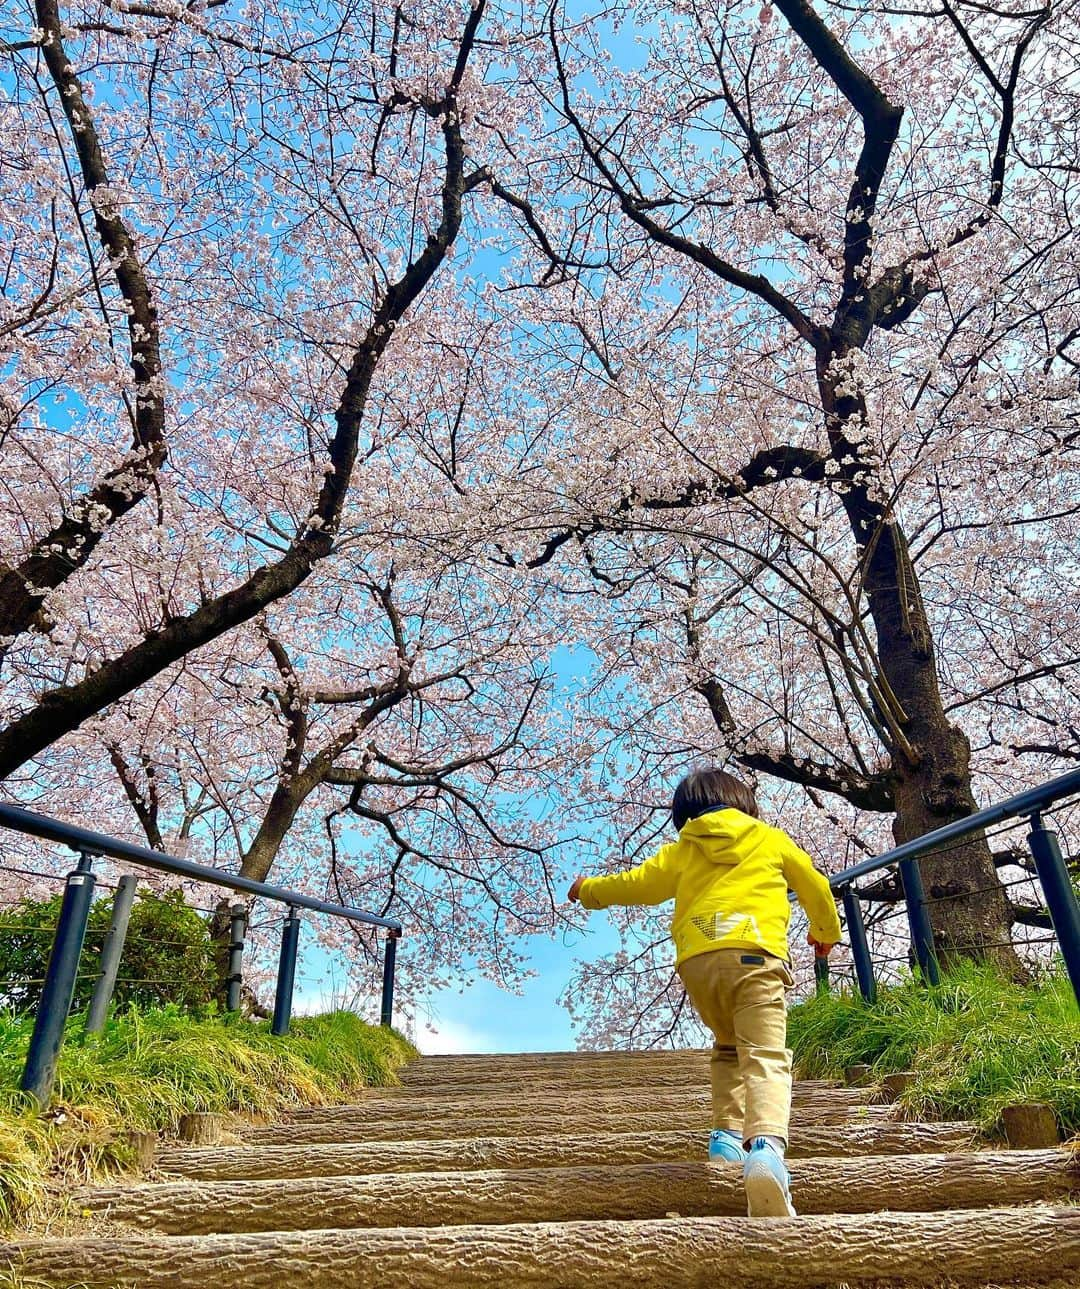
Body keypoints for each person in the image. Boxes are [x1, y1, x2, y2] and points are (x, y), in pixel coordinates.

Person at [567, 766, 841, 1217]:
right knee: (764, 1055)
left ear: (685, 813)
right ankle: (766, 1151)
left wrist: (588, 890)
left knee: (729, 1048)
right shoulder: (770, 839)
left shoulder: (682, 849)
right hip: (755, 956)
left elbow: (636, 885)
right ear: (745, 803)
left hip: (698, 964)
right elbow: (814, 885)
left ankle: (726, 1140)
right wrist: (824, 931)